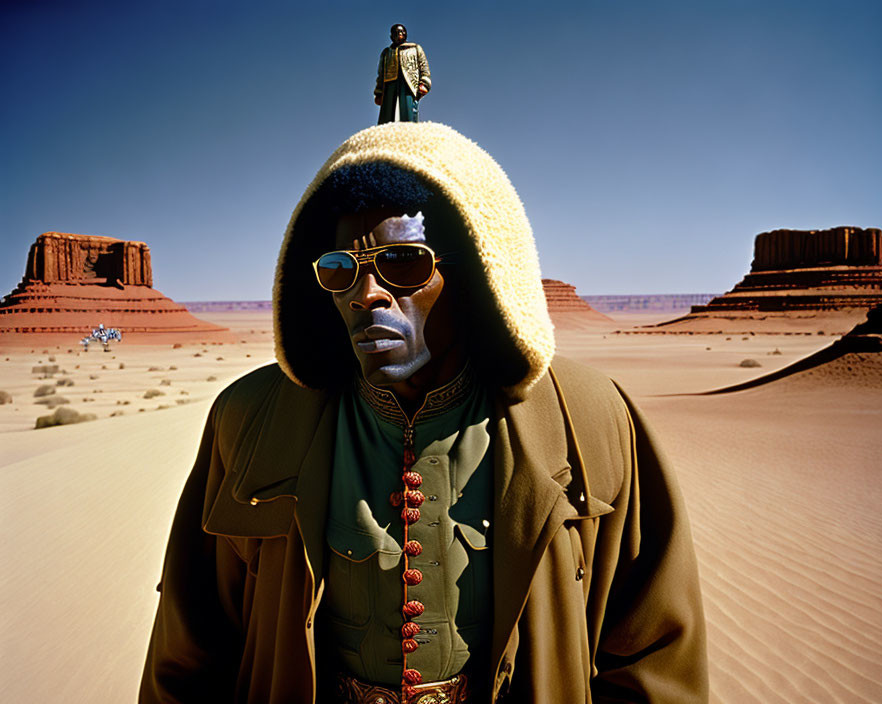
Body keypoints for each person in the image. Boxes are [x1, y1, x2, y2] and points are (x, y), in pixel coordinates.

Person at [140, 122, 708, 703]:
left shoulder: (588, 418)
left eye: (404, 264)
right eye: (341, 271)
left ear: (477, 274)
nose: (367, 294)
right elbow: (189, 647)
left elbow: (651, 653)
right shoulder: (251, 419)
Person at [375, 24, 431, 124]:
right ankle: (385, 133)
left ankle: (410, 131)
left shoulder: (415, 48)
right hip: (389, 84)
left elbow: (423, 66)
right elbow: (381, 73)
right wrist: (378, 91)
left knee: (408, 109)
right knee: (386, 112)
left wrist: (424, 83)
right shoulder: (386, 53)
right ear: (391, 36)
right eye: (396, 33)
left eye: (402, 32)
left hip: (408, 83)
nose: (400, 34)